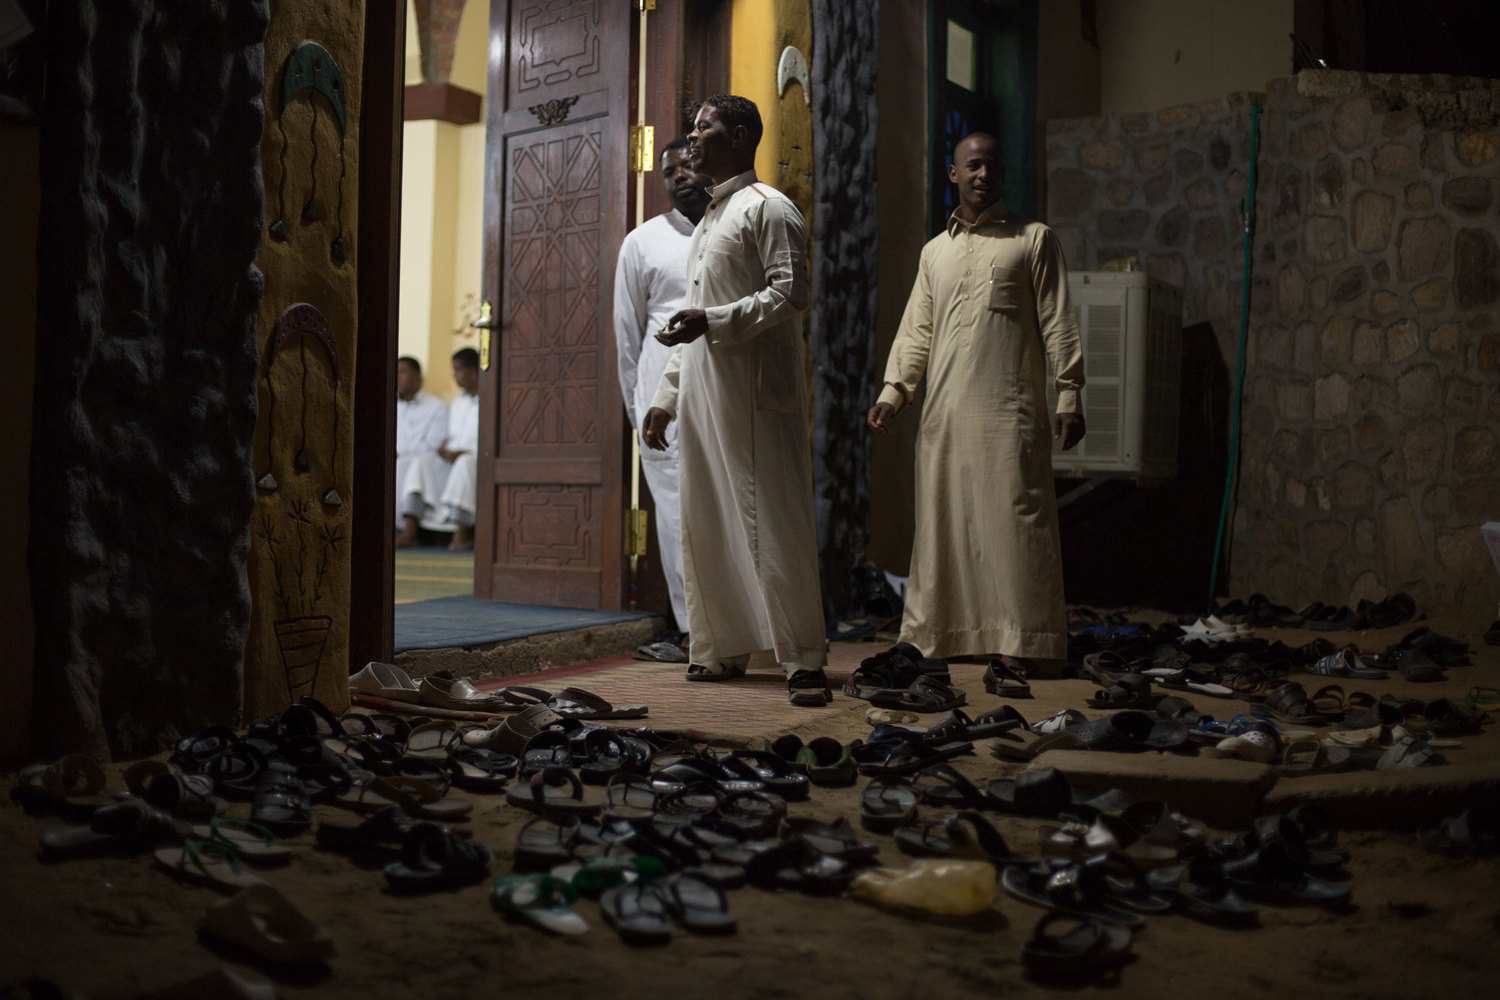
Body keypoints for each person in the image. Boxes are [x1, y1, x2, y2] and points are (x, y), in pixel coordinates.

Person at [867, 132, 1085, 678]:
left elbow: (1059, 322)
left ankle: (1020, 638)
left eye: (992, 165)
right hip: (942, 417)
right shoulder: (934, 253)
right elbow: (916, 331)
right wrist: (894, 393)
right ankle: (941, 634)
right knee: (944, 526)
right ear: (953, 173)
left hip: (1008, 414)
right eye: (973, 166)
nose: (983, 174)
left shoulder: (1032, 240)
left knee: (1014, 523)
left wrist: (1070, 393)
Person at [641, 94, 830, 706]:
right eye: (692, 127)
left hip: (752, 395)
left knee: (769, 521)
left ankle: (803, 657)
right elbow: (688, 323)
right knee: (707, 519)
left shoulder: (769, 209)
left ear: (742, 136)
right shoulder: (708, 222)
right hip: (701, 395)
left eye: (705, 128)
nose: (692, 138)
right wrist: (666, 397)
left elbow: (791, 293)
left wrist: (715, 322)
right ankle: (719, 649)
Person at [612, 138, 712, 663]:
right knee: (673, 514)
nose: (678, 176)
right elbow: (628, 336)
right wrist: (637, 407)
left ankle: (743, 627)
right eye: (668, 170)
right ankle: (694, 631)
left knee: (725, 506)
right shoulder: (642, 242)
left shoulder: (733, 228)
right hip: (660, 395)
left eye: (688, 165)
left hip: (719, 383)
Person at [397, 347, 482, 551]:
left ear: (474, 371)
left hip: (475, 460)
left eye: (459, 370)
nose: (455, 376)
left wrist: (461, 453)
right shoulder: (458, 404)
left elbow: (487, 442)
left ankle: (461, 534)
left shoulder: (490, 401)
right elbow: (451, 438)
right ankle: (409, 531)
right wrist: (445, 450)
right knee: (422, 463)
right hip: (453, 459)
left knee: (464, 464)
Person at [394, 356, 448, 530]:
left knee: (410, 466)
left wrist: (401, 452)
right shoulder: (390, 405)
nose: (397, 376)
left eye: (402, 371)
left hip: (426, 461)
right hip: (400, 458)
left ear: (417, 376)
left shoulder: (437, 406)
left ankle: (409, 530)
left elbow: (434, 442)